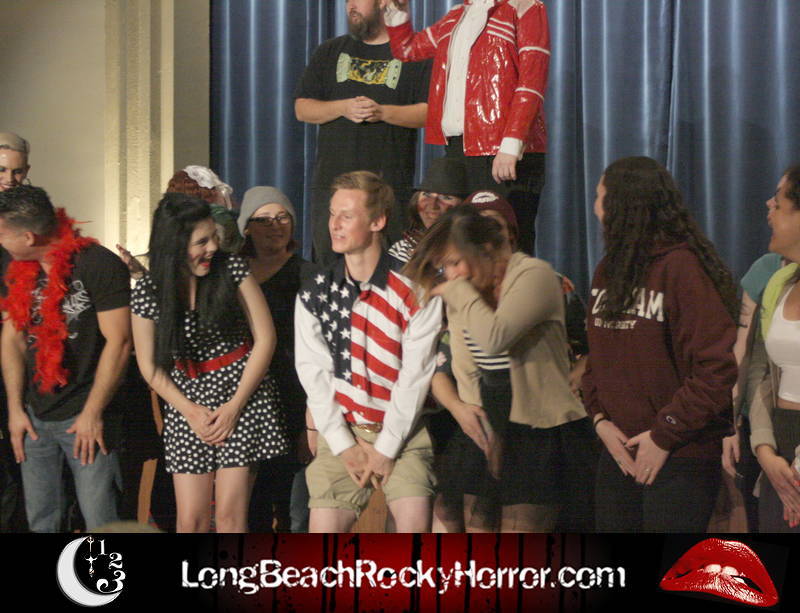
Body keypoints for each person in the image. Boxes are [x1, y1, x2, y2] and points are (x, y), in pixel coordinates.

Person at [404, 205, 592, 532]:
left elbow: (494, 339)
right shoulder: (467, 292)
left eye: (455, 262)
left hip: (538, 429)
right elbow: (466, 367)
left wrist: (460, 293)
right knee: (462, 521)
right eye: (445, 267)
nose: (451, 275)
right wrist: (484, 427)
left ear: (485, 250)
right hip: (492, 421)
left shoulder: (534, 276)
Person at [582, 156, 738, 532]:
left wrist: (664, 434)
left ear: (624, 206)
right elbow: (596, 362)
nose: (595, 207)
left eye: (601, 197)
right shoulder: (608, 270)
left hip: (679, 454)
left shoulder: (681, 268)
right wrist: (600, 421)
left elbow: (715, 369)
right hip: (619, 451)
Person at [131, 193, 289, 533]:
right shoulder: (148, 290)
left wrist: (234, 406)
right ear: (174, 245)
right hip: (187, 401)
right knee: (191, 520)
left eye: (213, 237)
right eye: (201, 242)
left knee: (231, 517)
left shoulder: (231, 269)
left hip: (242, 394)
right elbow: (149, 367)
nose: (213, 247)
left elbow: (266, 339)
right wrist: (190, 411)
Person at [295, 171, 441, 533]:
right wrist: (345, 446)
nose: (334, 225)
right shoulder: (316, 292)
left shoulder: (416, 288)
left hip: (404, 432)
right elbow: (313, 374)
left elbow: (416, 374)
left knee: (413, 526)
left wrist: (386, 448)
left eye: (346, 216)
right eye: (332, 214)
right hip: (343, 431)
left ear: (378, 222)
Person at [0, 186, 131, 532]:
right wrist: (15, 410)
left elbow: (119, 342)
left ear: (28, 237)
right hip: (35, 416)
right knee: (41, 519)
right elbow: (12, 338)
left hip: (86, 414)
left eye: (2, 234)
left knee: (100, 519)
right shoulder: (18, 267)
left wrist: (93, 412)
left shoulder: (97, 263)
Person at [383, 0, 550, 256]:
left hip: (504, 147)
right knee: (465, 242)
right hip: (458, 146)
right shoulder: (456, 15)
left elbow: (532, 80)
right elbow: (407, 49)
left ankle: (517, 283)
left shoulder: (525, 7)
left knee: (507, 241)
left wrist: (512, 142)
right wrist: (396, 12)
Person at [294, 0, 431, 265]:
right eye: (348, 1)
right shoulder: (330, 51)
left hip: (388, 189)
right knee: (329, 270)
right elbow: (302, 108)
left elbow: (428, 113)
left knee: (389, 270)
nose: (351, 6)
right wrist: (342, 108)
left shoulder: (414, 54)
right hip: (332, 187)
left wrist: (383, 112)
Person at [237, 186, 317, 532]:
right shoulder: (231, 273)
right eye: (264, 219)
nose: (275, 225)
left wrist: (311, 422)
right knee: (250, 509)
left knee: (294, 513)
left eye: (283, 217)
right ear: (246, 228)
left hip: (294, 399)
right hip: (246, 402)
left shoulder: (309, 275)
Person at [747, 165, 800, 532]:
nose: (768, 206)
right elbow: (763, 373)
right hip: (779, 447)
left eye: (778, 202)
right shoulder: (780, 282)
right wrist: (764, 450)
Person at [0, 132, 31, 532]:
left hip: (24, 355)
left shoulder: (33, 218)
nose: (9, 179)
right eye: (1, 170)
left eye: (17, 172)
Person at [388, 157, 468, 265]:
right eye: (427, 194)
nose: (433, 205)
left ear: (463, 206)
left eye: (446, 197)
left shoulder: (472, 251)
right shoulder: (401, 250)